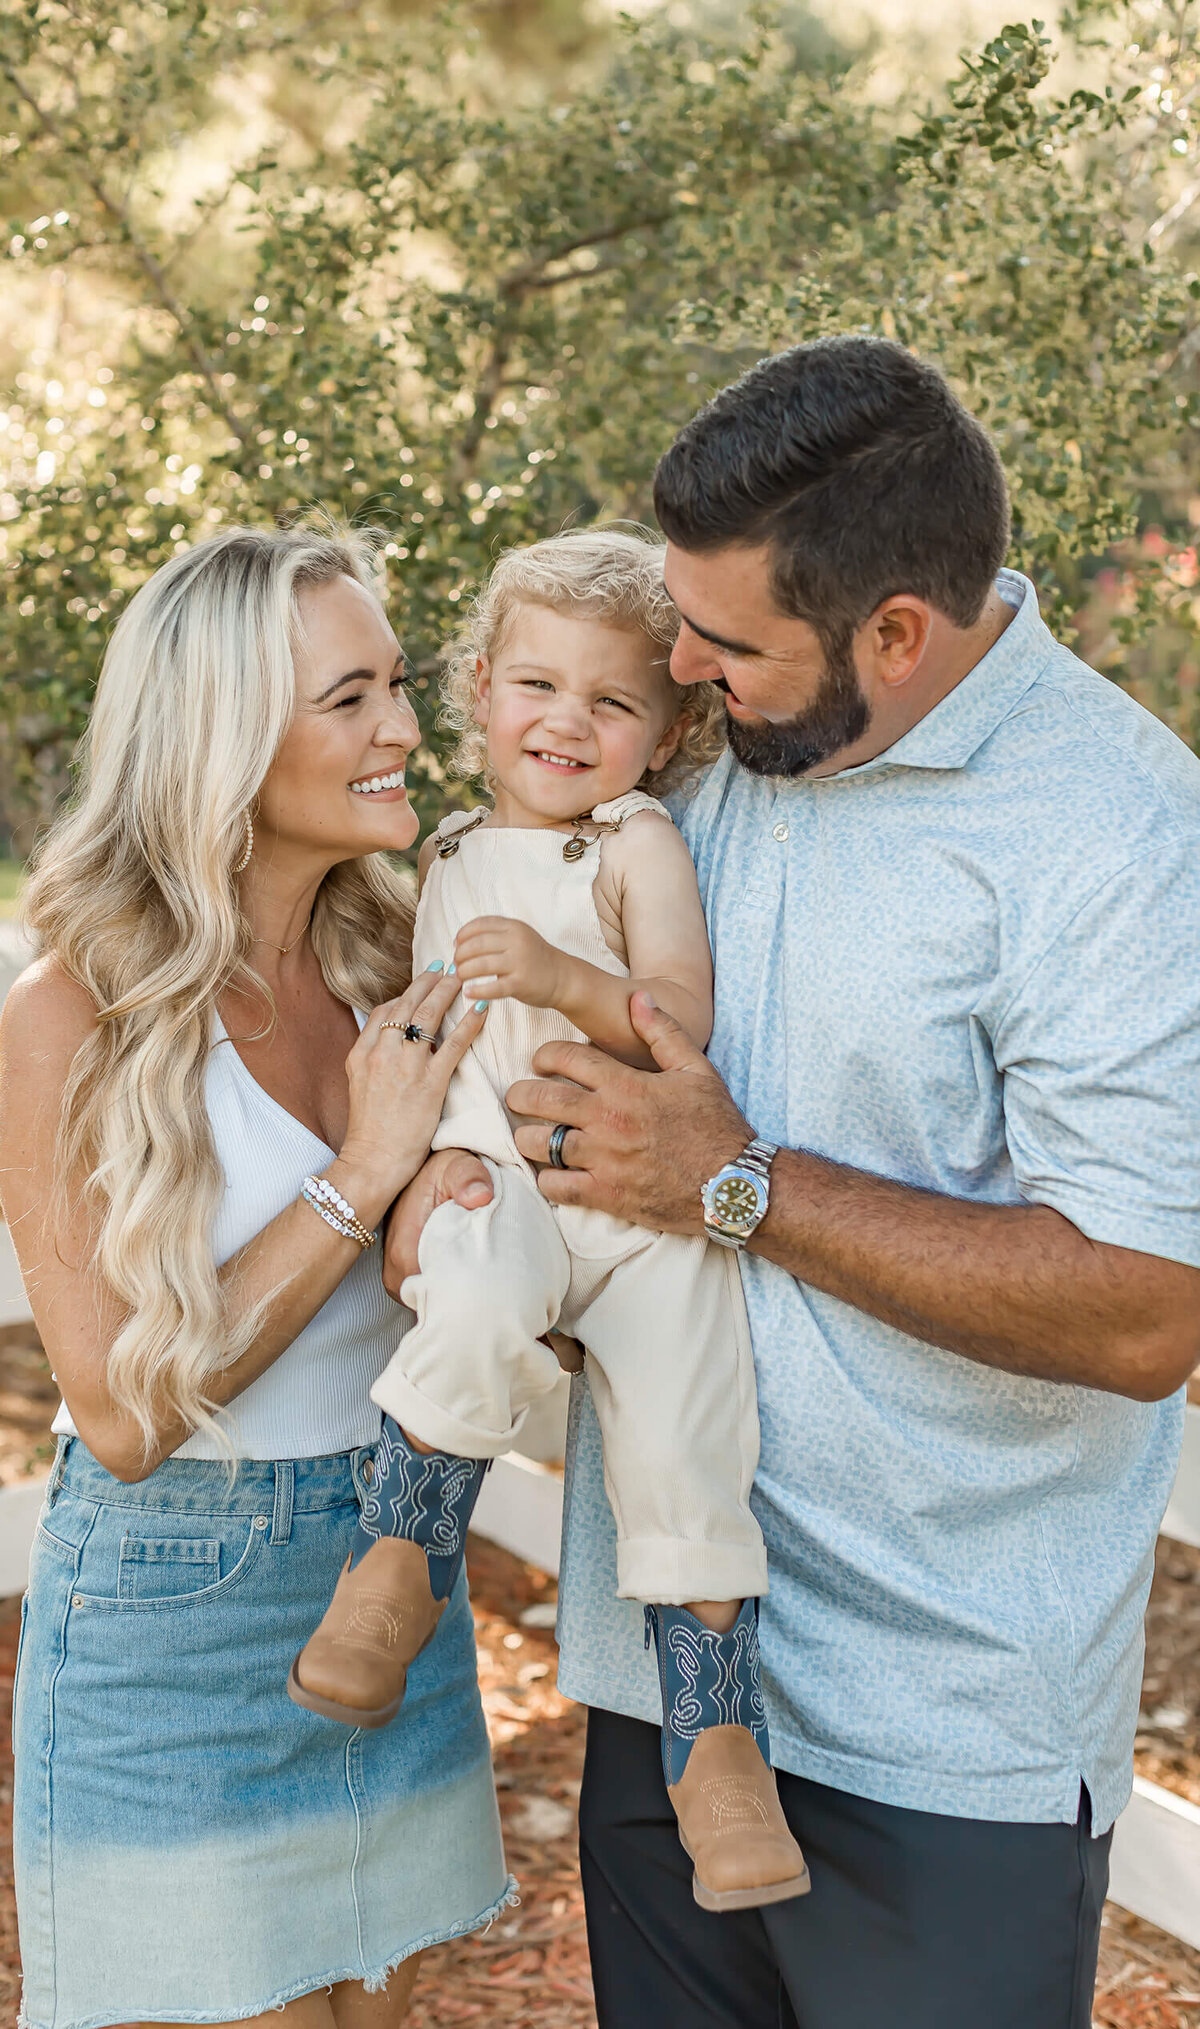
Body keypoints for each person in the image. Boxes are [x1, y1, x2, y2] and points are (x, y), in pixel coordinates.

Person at [386, 338, 1200, 2028]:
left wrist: (740, 1183)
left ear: (894, 632)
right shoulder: (699, 766)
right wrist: (439, 1198)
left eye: (725, 642)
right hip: (670, 1687)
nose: (676, 668)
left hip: (943, 1729)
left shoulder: (1120, 837)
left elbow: (1146, 1309)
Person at [0, 525, 514, 2029]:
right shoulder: (73, 1010)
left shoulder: (387, 961)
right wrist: (362, 1176)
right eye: (349, 698)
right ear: (223, 737)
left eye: (399, 685)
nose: (406, 729)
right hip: (182, 1613)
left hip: (391, 1569)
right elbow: (120, 1412)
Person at [290, 528, 810, 1914]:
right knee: (461, 1284)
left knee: (693, 1420)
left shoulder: (637, 841)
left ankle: (717, 1749)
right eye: (535, 685)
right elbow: (421, 1038)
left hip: (638, 1203)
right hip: (500, 1179)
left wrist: (567, 980)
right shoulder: (448, 850)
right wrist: (399, 1177)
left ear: (671, 725)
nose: (567, 723)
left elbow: (677, 1014)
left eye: (612, 700)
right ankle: (395, 1566)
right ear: (476, 689)